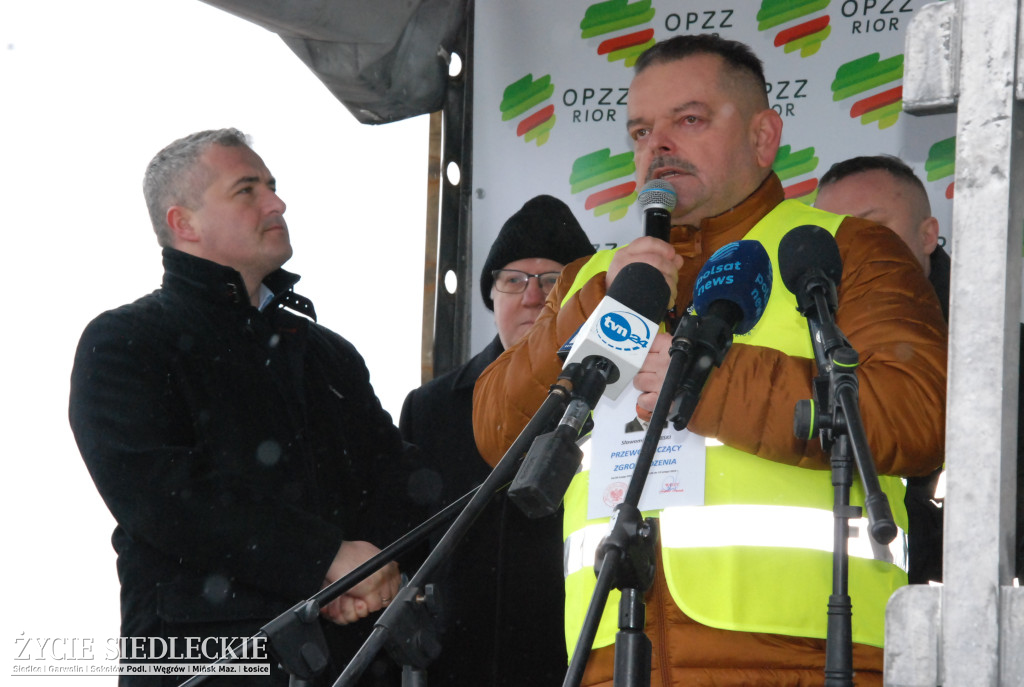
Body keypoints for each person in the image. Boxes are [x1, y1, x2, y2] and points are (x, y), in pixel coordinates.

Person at [472, 35, 948, 686]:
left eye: (689, 120)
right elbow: (497, 431)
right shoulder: (599, 279)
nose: (658, 146)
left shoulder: (846, 250)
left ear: (763, 136)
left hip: (810, 656)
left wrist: (707, 382)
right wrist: (601, 304)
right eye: (642, 130)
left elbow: (922, 416)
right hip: (615, 657)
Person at [69, 128, 406, 686]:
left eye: (272, 186)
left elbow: (394, 478)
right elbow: (162, 495)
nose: (276, 202)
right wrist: (322, 557)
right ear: (185, 224)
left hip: (357, 662)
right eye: (247, 190)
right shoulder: (126, 341)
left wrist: (375, 570)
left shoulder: (326, 355)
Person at [399, 195, 595, 686]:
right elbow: (410, 542)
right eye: (513, 281)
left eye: (551, 281)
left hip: (583, 658)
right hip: (463, 664)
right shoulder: (431, 408)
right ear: (492, 296)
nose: (532, 297)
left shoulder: (621, 397)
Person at [815, 153, 1024, 583]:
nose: (852, 248)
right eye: (831, 236)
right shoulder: (789, 338)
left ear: (928, 235)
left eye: (872, 229)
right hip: (834, 620)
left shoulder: (1003, 352)